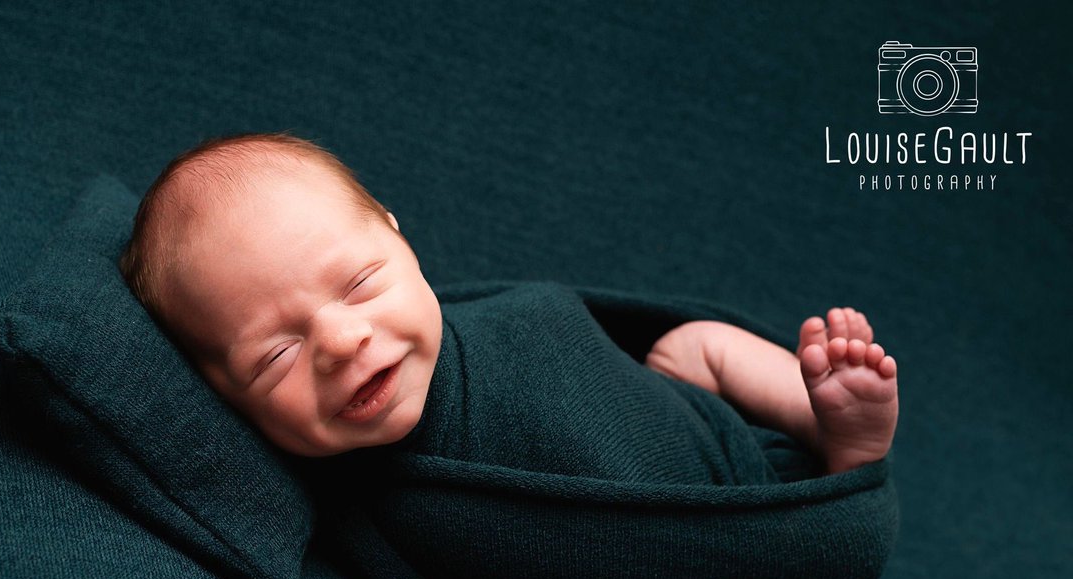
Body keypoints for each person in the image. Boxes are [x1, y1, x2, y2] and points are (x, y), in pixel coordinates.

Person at [118, 132, 898, 478]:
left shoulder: (519, 327)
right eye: (276, 355)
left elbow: (574, 349)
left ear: (397, 234)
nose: (342, 341)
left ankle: (835, 430)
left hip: (698, 425)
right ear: (219, 392)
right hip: (696, 531)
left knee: (691, 346)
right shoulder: (366, 505)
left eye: (359, 284)